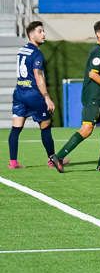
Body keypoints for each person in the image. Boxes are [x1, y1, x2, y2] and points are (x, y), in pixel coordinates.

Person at [50, 20, 100, 172]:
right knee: (87, 129)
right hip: (94, 98)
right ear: (98, 34)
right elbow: (92, 74)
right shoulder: (97, 51)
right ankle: (59, 156)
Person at [7, 21, 56, 169]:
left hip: (19, 93)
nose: (44, 34)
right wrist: (47, 97)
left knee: (16, 129)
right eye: (40, 31)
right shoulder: (37, 53)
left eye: (43, 31)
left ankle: (13, 162)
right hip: (34, 95)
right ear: (31, 34)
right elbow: (38, 76)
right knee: (45, 126)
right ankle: (52, 159)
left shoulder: (22, 50)